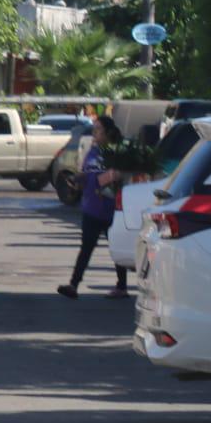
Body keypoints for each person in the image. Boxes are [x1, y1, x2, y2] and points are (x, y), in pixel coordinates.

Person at [57, 115, 128, 299]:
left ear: (108, 133)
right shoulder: (93, 151)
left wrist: (100, 181)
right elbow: (87, 174)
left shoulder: (116, 152)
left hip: (110, 209)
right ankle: (73, 285)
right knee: (86, 248)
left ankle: (122, 287)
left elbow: (119, 175)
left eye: (98, 129)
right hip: (91, 208)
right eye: (94, 129)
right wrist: (76, 180)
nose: (94, 132)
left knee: (115, 247)